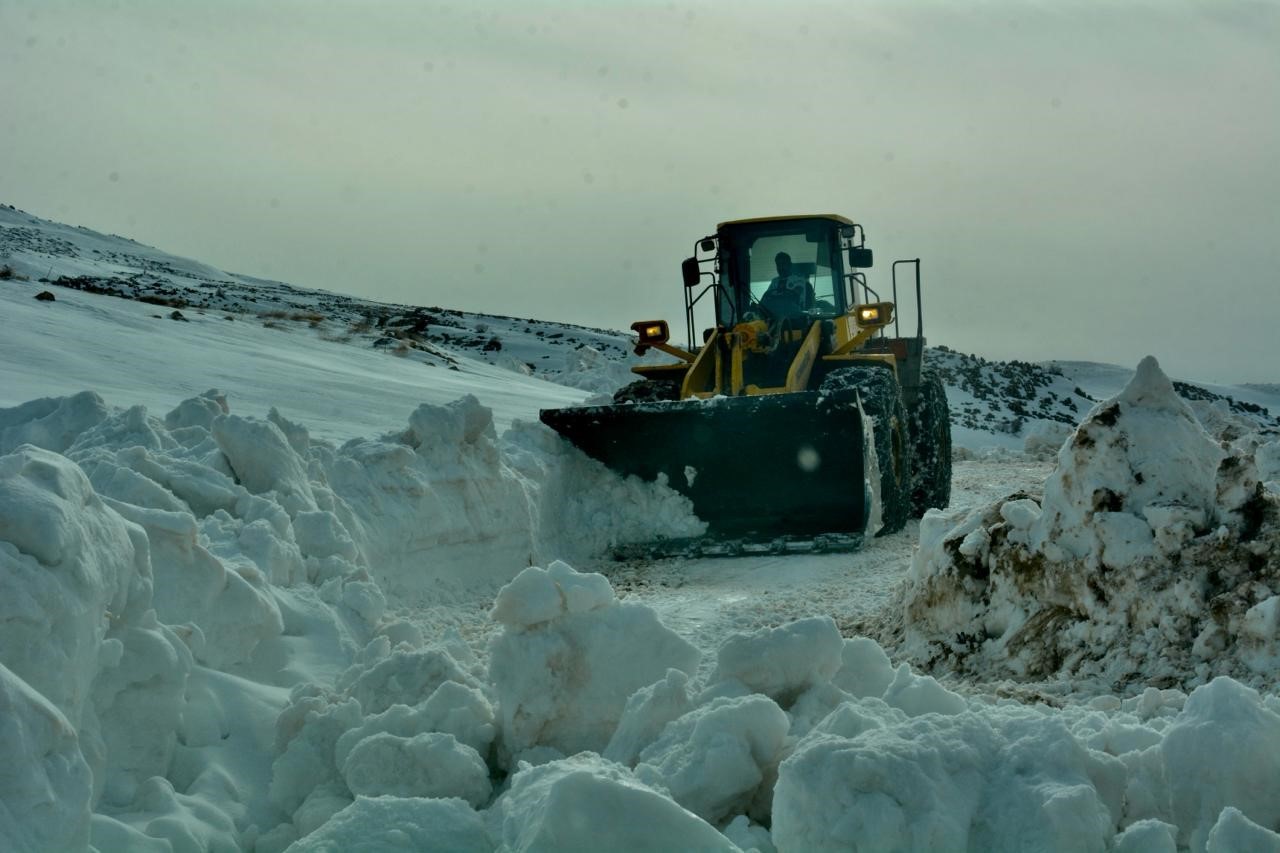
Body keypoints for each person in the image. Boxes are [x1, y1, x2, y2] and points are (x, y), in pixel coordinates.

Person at [761, 252, 814, 316]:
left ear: (790, 265)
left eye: (783, 264)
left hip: (796, 317)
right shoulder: (774, 282)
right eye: (778, 265)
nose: (780, 267)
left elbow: (793, 298)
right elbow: (766, 298)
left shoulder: (800, 281)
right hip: (774, 317)